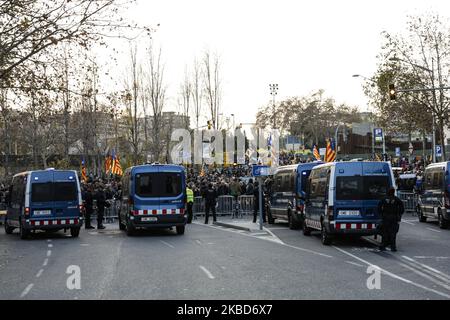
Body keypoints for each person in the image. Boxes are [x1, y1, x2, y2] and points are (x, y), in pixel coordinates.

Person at [377, 187, 404, 252]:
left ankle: (382, 246)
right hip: (394, 218)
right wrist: (398, 214)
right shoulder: (397, 199)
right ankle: (393, 247)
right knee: (393, 233)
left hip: (385, 217)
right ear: (394, 192)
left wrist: (381, 214)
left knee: (385, 233)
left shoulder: (383, 199)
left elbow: (379, 207)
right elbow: (402, 208)